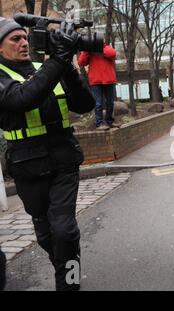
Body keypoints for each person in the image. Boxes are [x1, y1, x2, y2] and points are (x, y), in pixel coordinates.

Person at [0, 18, 95, 290]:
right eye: (14, 39)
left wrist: (67, 68)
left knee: (64, 230)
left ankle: (69, 282)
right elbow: (21, 98)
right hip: (28, 167)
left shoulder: (48, 67)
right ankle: (66, 267)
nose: (23, 42)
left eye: (24, 37)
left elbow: (85, 104)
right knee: (46, 236)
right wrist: (60, 59)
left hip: (63, 161)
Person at [78, 42, 118, 131]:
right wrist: (87, 51)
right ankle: (99, 123)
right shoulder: (89, 51)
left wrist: (99, 48)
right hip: (96, 81)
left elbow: (113, 54)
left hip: (109, 80)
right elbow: (81, 62)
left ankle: (110, 121)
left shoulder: (107, 47)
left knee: (110, 102)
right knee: (98, 103)